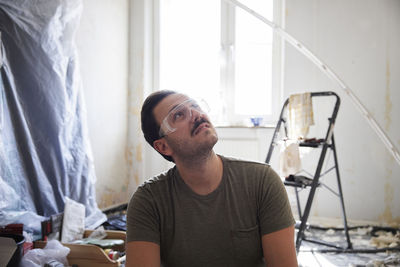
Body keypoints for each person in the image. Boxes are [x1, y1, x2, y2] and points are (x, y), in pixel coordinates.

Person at [126, 90, 298, 267]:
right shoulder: (147, 202)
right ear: (163, 146)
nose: (196, 115)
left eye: (195, 106)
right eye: (178, 115)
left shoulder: (262, 182)